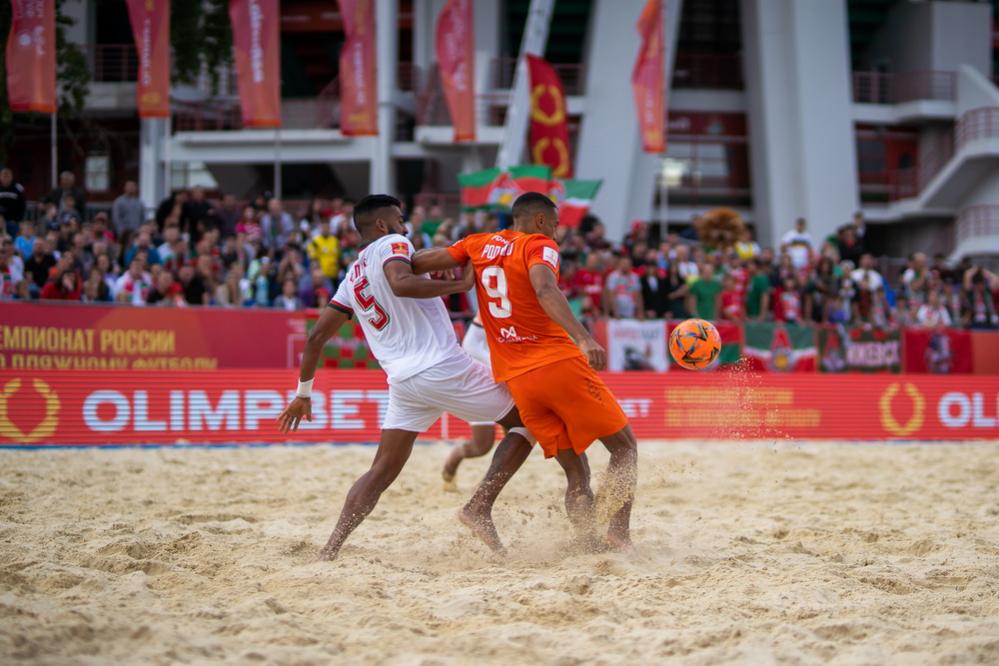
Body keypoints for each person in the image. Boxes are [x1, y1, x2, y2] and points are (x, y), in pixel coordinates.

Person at [277, 195, 592, 561]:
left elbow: (316, 338)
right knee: (531, 421)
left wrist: (303, 393)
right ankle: (479, 506)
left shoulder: (352, 277)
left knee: (381, 470)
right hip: (440, 366)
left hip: (402, 382)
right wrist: (459, 286)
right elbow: (401, 283)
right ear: (382, 225)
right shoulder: (393, 244)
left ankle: (329, 550)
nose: (405, 227)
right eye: (399, 219)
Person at [412, 192, 638, 552]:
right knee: (625, 447)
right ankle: (619, 534)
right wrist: (583, 338)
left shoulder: (476, 243)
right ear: (539, 221)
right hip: (555, 364)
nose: (557, 232)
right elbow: (545, 289)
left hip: (517, 379)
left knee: (576, 468)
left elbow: (416, 262)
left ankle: (588, 543)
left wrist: (393, 251)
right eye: (555, 224)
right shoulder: (539, 245)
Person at [441, 312, 500, 487]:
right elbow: (471, 345)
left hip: (504, 374)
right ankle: (454, 459)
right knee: (481, 446)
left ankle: (489, 485)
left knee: (518, 432)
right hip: (481, 381)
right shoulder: (492, 306)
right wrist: (500, 367)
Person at [0, 168, 27, 236]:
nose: (6, 179)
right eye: (4, 176)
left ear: (11, 177)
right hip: (0, 221)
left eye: (7, 176)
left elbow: (22, 205)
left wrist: (19, 219)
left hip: (14, 221)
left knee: (15, 238)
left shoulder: (18, 188)